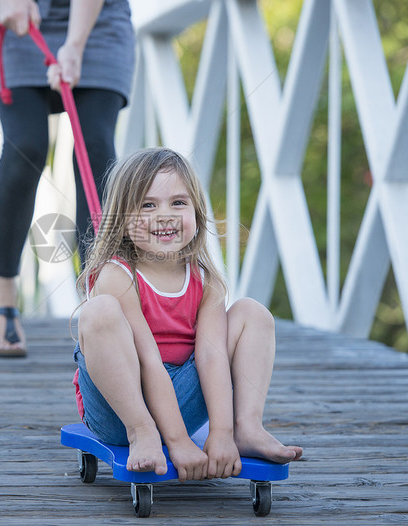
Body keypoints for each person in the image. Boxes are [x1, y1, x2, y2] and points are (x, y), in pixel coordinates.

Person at [72, 148, 303, 480]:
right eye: (148, 205)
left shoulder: (206, 281)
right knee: (98, 312)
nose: (164, 215)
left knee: (251, 313)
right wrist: (177, 441)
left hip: (181, 399)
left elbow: (211, 356)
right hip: (120, 410)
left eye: (178, 203)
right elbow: (149, 360)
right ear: (121, 219)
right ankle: (144, 432)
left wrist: (220, 433)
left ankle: (246, 428)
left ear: (197, 212)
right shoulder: (117, 276)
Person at [0, 0, 135, 357]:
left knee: (96, 144)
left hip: (95, 7)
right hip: (11, 4)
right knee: (26, 144)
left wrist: (76, 43)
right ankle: (2, 297)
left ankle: (102, 305)